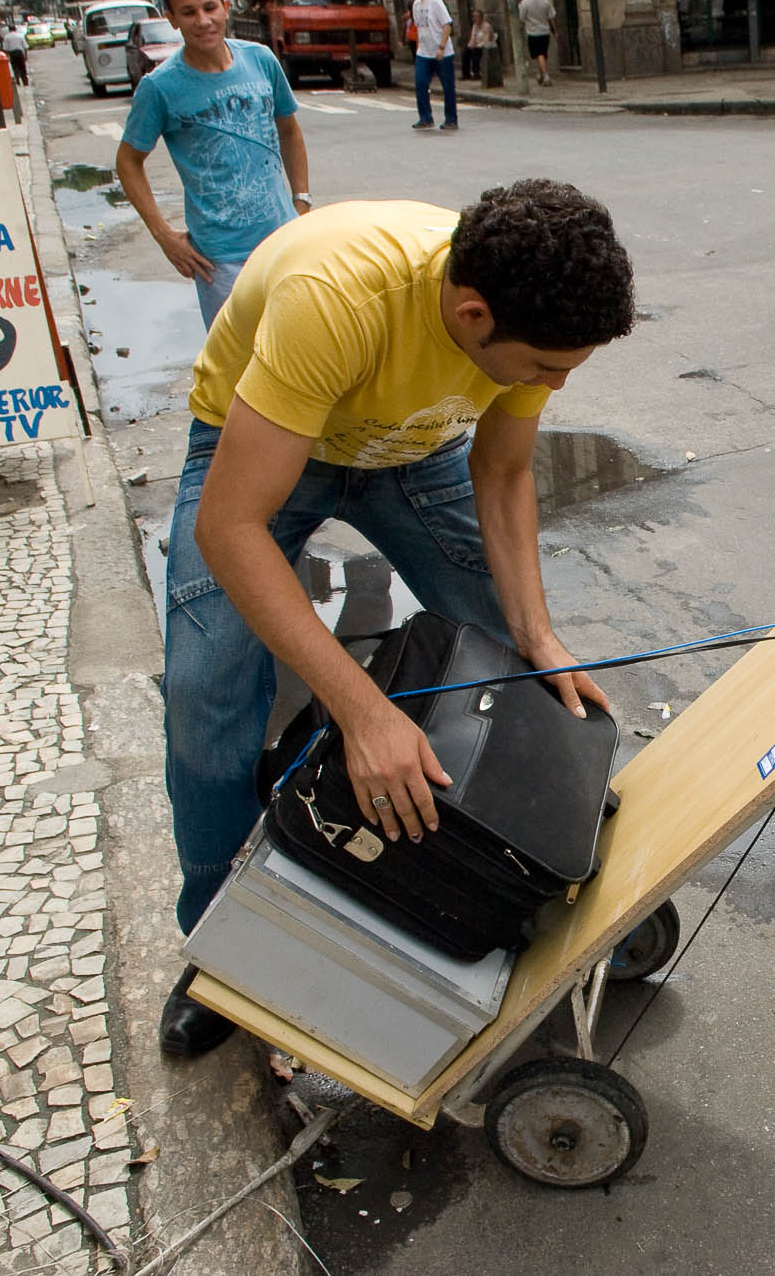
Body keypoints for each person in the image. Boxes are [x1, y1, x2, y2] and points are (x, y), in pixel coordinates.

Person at [153, 180, 635, 1056]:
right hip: (262, 452)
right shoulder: (338, 299)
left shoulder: (530, 303)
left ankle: (517, 867)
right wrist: (363, 711)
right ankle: (222, 952)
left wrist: (535, 634)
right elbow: (230, 527)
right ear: (473, 312)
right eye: (542, 368)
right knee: (205, 694)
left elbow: (504, 472)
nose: (554, 385)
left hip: (411, 453)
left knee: (512, 656)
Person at [115, 0, 311, 327]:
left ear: (226, 7)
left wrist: (301, 198)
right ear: (171, 18)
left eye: (209, 8)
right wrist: (164, 236)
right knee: (236, 371)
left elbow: (289, 130)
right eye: (188, 12)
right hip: (221, 262)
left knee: (300, 357)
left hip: (284, 245)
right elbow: (128, 161)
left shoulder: (261, 60)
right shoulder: (160, 87)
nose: (203, 21)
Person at [408, 0, 456, 130]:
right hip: (424, 52)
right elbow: (419, 28)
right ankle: (425, 117)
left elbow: (447, 24)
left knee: (447, 86)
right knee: (420, 84)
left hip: (441, 52)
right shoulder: (416, 4)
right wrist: (418, 48)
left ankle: (451, 119)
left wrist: (441, 47)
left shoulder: (435, 1)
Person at [518, 0, 555, 86]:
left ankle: (546, 76)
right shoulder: (545, 2)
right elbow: (551, 17)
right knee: (542, 54)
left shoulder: (524, 3)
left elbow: (522, 18)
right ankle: (540, 74)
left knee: (539, 54)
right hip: (545, 31)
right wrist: (554, 31)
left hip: (533, 32)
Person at [463, 7, 495, 81]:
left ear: (481, 17)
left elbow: (486, 40)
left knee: (475, 52)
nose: (474, 18)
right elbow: (473, 37)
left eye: (476, 16)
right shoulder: (475, 26)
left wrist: (477, 46)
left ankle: (476, 73)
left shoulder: (486, 26)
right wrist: (470, 45)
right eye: (473, 16)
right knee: (466, 52)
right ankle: (466, 74)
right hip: (476, 46)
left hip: (485, 46)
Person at [3, 20, 29, 85]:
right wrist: (25, 55)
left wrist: (7, 56)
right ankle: (25, 82)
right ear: (15, 29)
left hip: (12, 53)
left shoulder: (6, 37)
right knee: (22, 68)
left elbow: (5, 48)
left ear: (9, 30)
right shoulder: (20, 36)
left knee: (15, 68)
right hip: (19, 52)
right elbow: (25, 47)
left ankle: (17, 81)